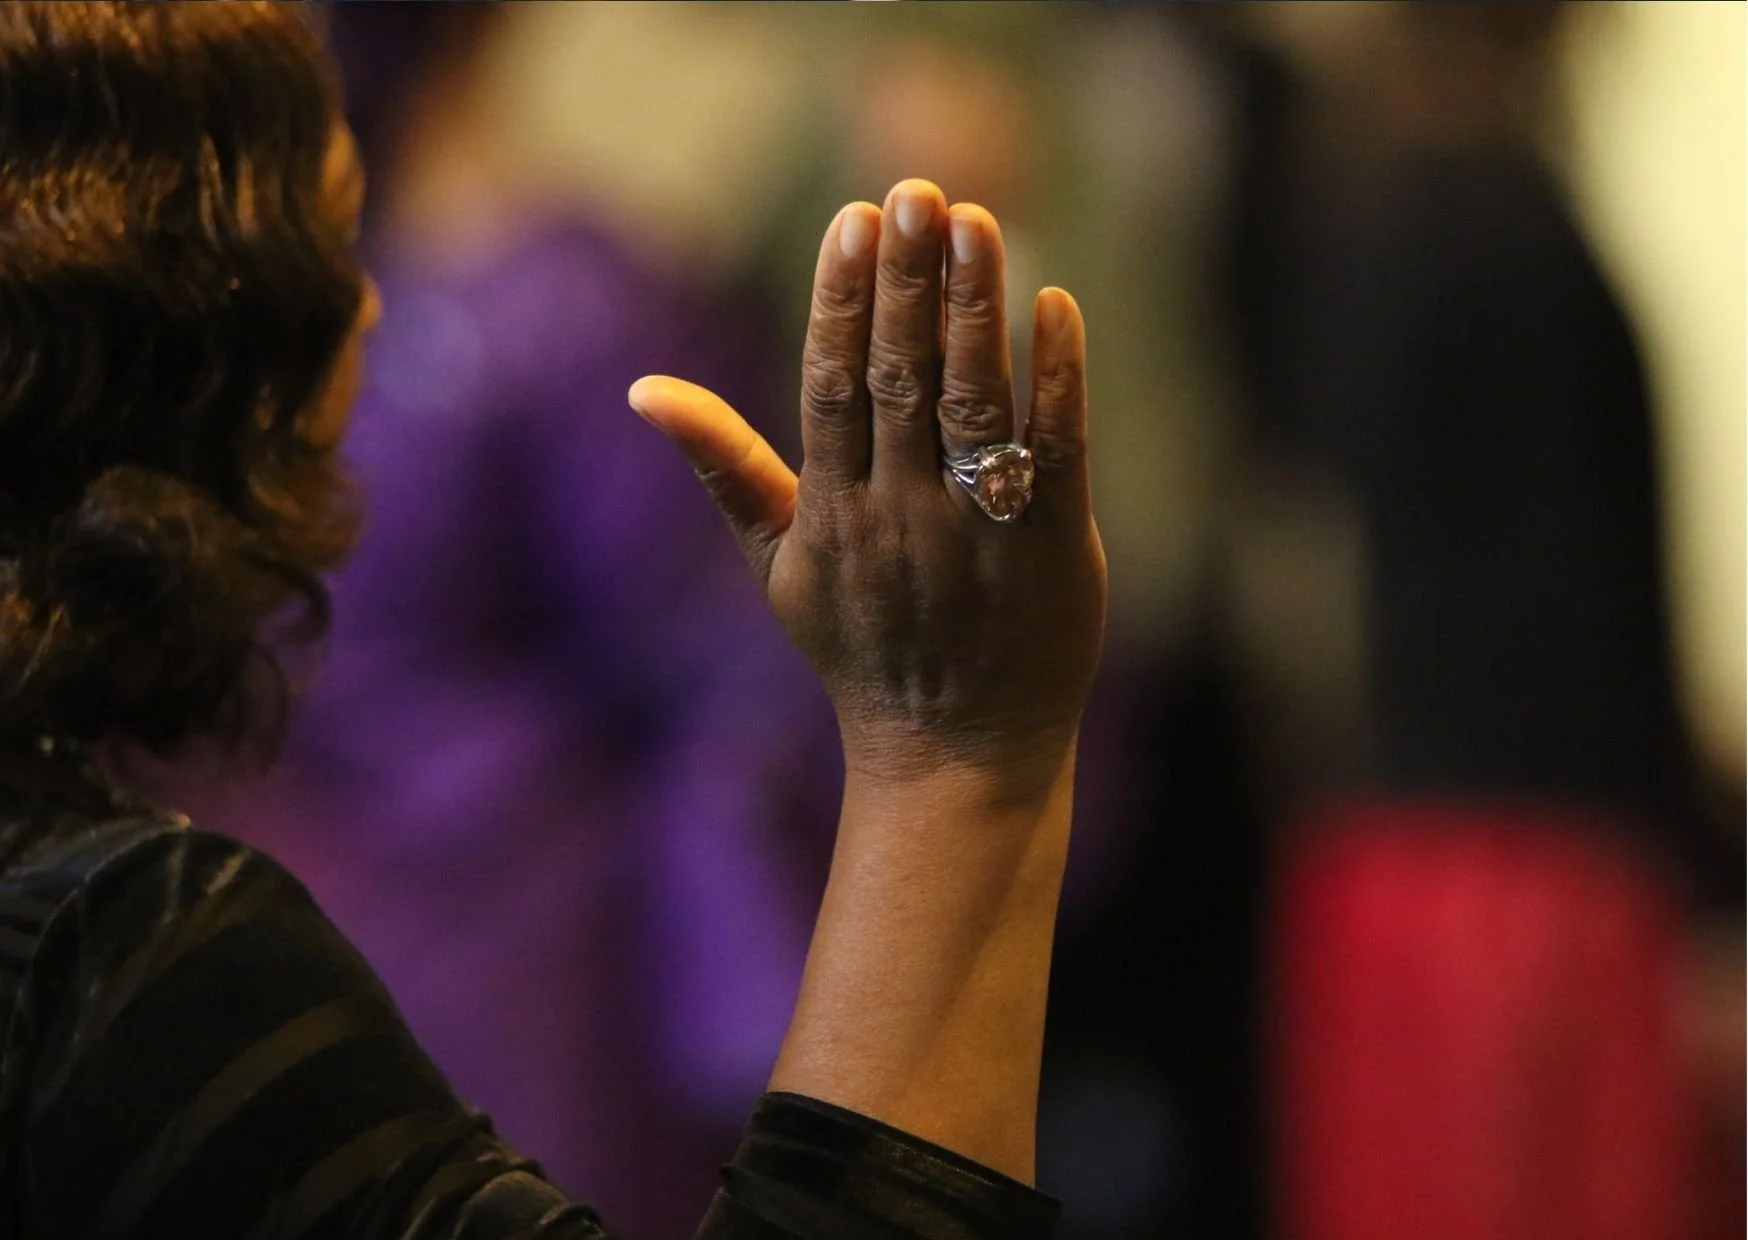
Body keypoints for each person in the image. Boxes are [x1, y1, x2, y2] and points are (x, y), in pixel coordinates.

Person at [0, 5, 1106, 1238]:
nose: (366, 311)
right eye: (328, 249)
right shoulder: (114, 962)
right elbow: (712, 665)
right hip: (515, 967)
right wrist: (957, 751)